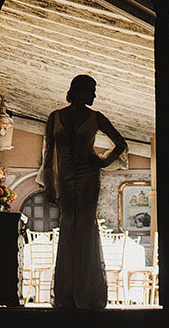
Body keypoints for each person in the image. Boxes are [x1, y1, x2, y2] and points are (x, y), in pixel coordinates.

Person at [40, 74, 129, 310]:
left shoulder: (96, 118)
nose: (94, 95)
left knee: (86, 228)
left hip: (88, 177)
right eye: (91, 90)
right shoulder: (54, 117)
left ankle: (87, 293)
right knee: (68, 227)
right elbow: (48, 153)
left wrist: (102, 161)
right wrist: (49, 183)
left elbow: (121, 143)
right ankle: (67, 293)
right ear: (78, 91)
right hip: (65, 179)